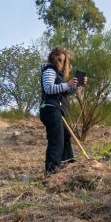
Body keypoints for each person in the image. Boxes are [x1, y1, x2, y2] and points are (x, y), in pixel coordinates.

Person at [39, 47, 82, 175]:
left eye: (63, 60)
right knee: (56, 139)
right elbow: (48, 88)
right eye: (58, 58)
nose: (60, 61)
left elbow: (66, 91)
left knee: (66, 136)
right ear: (53, 57)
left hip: (57, 109)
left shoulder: (59, 75)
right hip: (50, 109)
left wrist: (77, 85)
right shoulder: (49, 70)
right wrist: (67, 84)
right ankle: (51, 170)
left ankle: (66, 164)